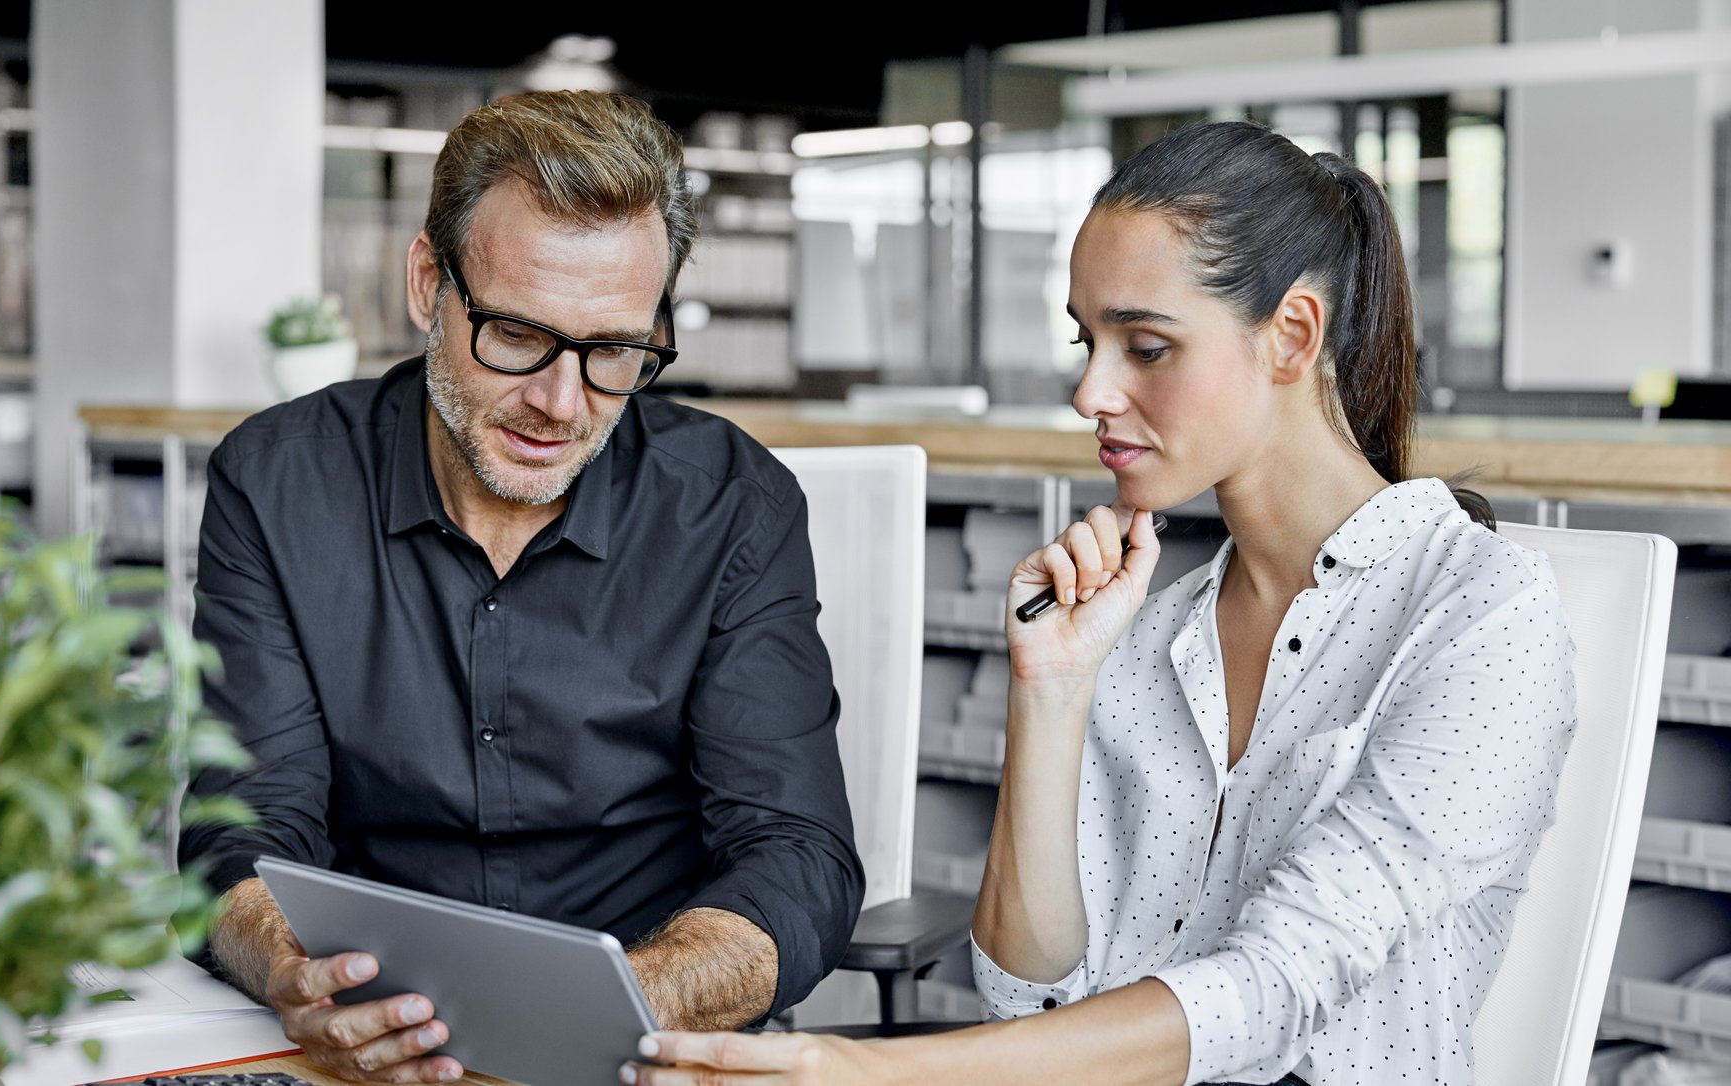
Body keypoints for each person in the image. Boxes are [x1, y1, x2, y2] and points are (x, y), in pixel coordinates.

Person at [624, 121, 1575, 1086]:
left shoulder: (1483, 617)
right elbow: (1025, 990)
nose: (1090, 391)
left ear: (1292, 335)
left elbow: (1278, 987)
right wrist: (1051, 690)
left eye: (1147, 347)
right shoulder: (1151, 629)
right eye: (1088, 341)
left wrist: (875, 1072)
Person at [177, 90, 864, 1085]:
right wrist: (292, 971)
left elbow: (795, 854)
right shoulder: (279, 483)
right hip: (368, 1043)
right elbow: (241, 828)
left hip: (642, 1046)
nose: (559, 402)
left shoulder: (731, 507)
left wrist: (627, 998)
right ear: (427, 284)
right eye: (513, 335)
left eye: (613, 351)